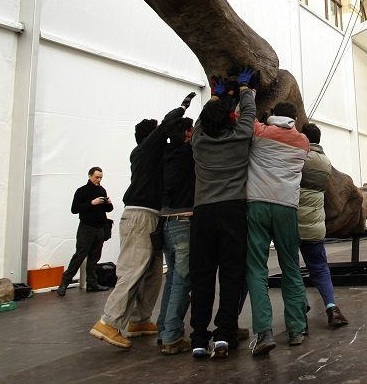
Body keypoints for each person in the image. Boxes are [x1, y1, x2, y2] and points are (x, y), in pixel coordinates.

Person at [90, 92, 195, 349]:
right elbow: (169, 125)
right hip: (141, 215)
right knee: (133, 269)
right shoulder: (147, 149)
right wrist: (183, 107)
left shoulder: (146, 154)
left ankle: (139, 320)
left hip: (151, 216)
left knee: (151, 273)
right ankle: (109, 322)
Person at [188, 71, 257, 359]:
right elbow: (249, 114)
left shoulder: (199, 142)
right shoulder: (241, 137)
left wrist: (217, 96)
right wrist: (243, 89)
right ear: (230, 120)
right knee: (231, 273)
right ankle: (225, 333)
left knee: (202, 276)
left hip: (203, 213)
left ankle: (199, 338)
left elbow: (201, 122)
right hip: (232, 210)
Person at [246, 101, 310, 356]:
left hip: (257, 205)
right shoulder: (303, 142)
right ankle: (296, 329)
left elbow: (244, 117)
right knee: (291, 267)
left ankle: (264, 332)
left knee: (256, 268)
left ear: (273, 115)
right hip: (287, 207)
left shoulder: (259, 133)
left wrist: (247, 93)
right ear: (294, 118)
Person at [297, 123, 348, 329]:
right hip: (316, 224)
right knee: (320, 268)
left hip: (293, 222)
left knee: (292, 268)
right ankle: (331, 307)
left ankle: (300, 307)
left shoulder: (300, 158)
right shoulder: (325, 162)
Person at [156, 116, 195, 355]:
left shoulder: (165, 155)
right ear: (188, 134)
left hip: (166, 222)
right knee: (182, 279)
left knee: (172, 278)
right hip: (183, 221)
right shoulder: (188, 155)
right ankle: (171, 335)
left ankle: (164, 328)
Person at [57, 167, 113, 296]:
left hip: (99, 228)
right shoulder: (82, 191)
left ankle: (92, 283)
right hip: (86, 228)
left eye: (100, 177)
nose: (99, 180)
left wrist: (108, 203)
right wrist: (91, 203)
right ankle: (64, 283)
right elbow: (74, 209)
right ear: (90, 176)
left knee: (94, 257)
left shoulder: (102, 190)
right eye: (96, 177)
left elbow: (108, 209)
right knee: (80, 255)